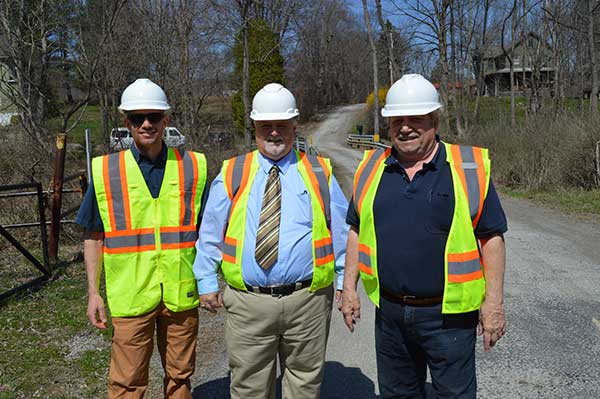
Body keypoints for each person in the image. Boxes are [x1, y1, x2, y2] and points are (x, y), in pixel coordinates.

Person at [341, 74, 507, 399]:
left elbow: (492, 239)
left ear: (434, 119)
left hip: (448, 319)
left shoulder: (468, 168)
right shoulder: (372, 167)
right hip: (389, 314)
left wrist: (494, 305)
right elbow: (356, 230)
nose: (405, 127)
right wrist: (348, 289)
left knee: (454, 395)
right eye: (397, 120)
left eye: (415, 118)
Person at [193, 82, 349, 399]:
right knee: (249, 388)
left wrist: (346, 283)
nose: (274, 133)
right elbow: (211, 229)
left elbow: (342, 233)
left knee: (304, 386)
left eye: (282, 125)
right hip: (249, 303)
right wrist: (206, 279)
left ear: (295, 126)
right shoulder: (234, 171)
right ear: (255, 128)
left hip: (308, 301)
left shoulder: (319, 172)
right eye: (267, 126)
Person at [76, 78, 207, 399]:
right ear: (127, 124)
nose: (146, 124)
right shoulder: (107, 172)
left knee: (180, 378)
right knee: (127, 384)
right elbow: (94, 236)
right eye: (138, 118)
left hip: (181, 293)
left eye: (153, 117)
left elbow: (208, 233)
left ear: (166, 120)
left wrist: (210, 282)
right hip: (131, 296)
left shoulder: (193, 167)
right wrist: (94, 292)